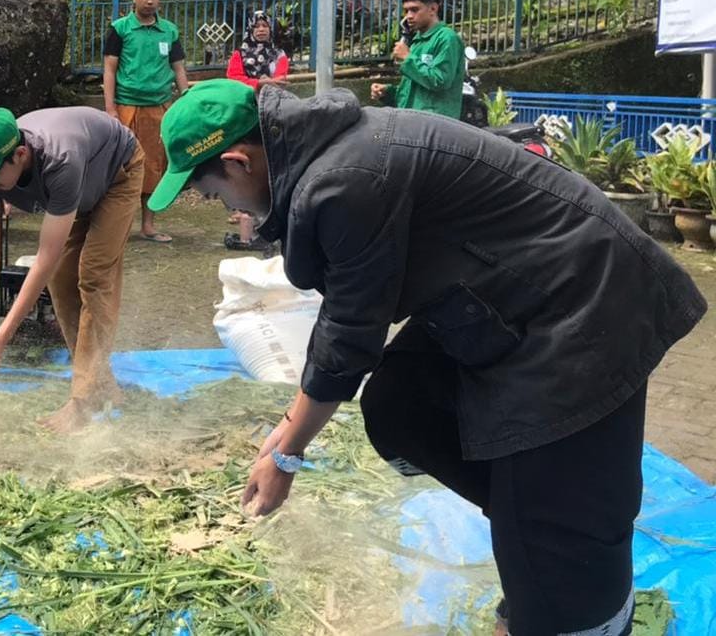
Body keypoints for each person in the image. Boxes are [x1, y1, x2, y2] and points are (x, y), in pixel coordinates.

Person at [147, 79, 706, 636]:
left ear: (238, 162)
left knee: (559, 535)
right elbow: (347, 319)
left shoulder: (342, 181)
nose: (226, 208)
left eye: (215, 196)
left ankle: (566, 578)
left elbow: (350, 333)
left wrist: (288, 454)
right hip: (504, 295)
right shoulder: (328, 158)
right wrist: (291, 426)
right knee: (399, 403)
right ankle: (534, 525)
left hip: (582, 304)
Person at [0, 107, 144, 433]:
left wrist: (3, 336)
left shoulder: (60, 160)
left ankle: (83, 400)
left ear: (20, 155)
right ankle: (100, 382)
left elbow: (46, 256)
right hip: (77, 183)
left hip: (116, 171)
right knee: (60, 279)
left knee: (94, 275)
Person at [102, 0, 189, 243]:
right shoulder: (120, 29)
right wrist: (110, 109)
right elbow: (109, 69)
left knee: (153, 167)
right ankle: (116, 226)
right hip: (126, 107)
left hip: (159, 108)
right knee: (120, 167)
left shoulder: (169, 31)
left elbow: (178, 68)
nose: (150, 1)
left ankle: (148, 225)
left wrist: (186, 98)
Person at [224, 10, 288, 251]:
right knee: (243, 163)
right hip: (244, 114)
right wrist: (260, 82)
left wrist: (256, 83)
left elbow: (281, 81)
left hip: (271, 114)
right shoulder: (239, 54)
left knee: (267, 165)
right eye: (257, 26)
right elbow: (233, 79)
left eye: (265, 26)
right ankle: (245, 225)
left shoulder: (279, 54)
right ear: (250, 30)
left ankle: (266, 225)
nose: (261, 30)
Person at [369, 0, 465, 119]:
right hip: (413, 120)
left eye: (414, 10)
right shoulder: (416, 41)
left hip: (436, 123)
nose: (409, 16)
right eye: (406, 11)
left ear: (433, 9)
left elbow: (440, 81)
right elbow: (413, 90)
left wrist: (408, 58)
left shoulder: (447, 38)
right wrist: (387, 92)